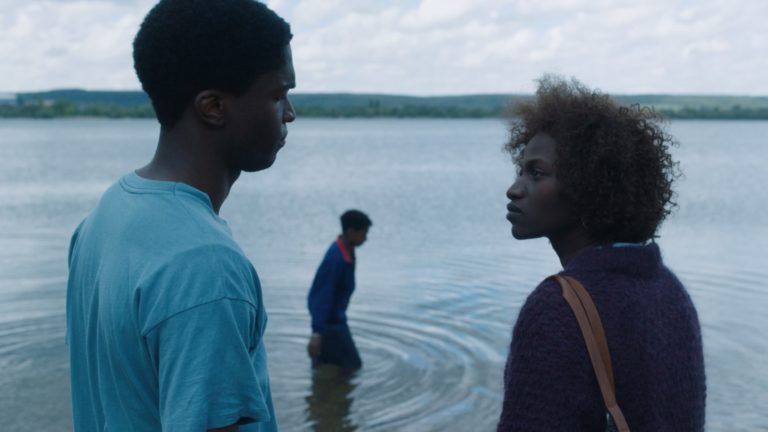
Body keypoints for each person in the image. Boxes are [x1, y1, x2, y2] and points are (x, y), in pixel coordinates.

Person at [65, 1, 295, 431]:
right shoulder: (205, 265)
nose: (289, 113)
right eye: (278, 95)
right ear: (213, 107)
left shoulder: (103, 218)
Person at [498, 76, 706, 431]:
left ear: (588, 185)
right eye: (521, 170)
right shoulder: (670, 290)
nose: (514, 189)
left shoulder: (556, 307)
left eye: (537, 173)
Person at [307, 210, 372, 371]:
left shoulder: (347, 251)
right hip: (331, 325)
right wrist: (317, 333)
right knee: (353, 366)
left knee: (327, 366)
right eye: (364, 233)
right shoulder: (336, 258)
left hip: (333, 321)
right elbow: (322, 295)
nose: (366, 238)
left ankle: (326, 386)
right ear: (351, 231)